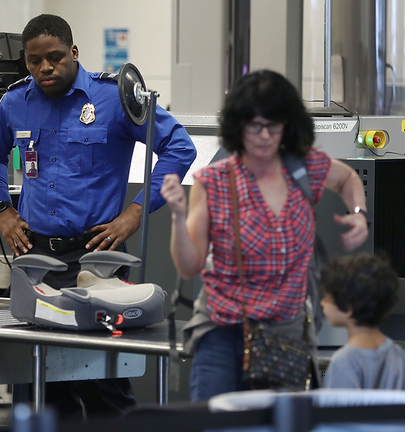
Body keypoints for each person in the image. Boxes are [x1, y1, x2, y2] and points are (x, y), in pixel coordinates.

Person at [0, 14, 197, 419]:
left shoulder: (114, 97)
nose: (45, 68)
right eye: (34, 60)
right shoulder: (15, 102)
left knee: (103, 384)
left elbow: (179, 147)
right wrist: (3, 210)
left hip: (99, 260)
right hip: (36, 263)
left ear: (74, 52)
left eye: (56, 57)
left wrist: (136, 212)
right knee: (37, 387)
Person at [160, 69, 370, 402]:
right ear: (237, 126)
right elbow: (188, 267)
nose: (263, 135)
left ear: (288, 125)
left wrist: (359, 215)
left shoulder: (304, 168)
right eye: (253, 125)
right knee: (218, 423)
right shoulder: (214, 181)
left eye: (273, 124)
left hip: (286, 333)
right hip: (224, 332)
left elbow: (347, 179)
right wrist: (179, 216)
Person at [320, 253, 404, 389]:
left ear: (348, 308)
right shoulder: (399, 357)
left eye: (327, 298)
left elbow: (337, 410)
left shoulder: (343, 361)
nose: (322, 302)